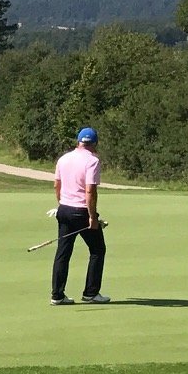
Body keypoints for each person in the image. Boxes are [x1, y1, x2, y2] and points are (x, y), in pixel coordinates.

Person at [51, 127, 108, 305]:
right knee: (98, 250)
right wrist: (92, 217)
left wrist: (62, 204)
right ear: (95, 143)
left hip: (64, 210)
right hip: (81, 211)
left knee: (63, 253)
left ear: (78, 142)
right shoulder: (92, 161)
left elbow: (56, 185)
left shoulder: (64, 158)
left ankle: (57, 295)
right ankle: (91, 293)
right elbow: (90, 190)